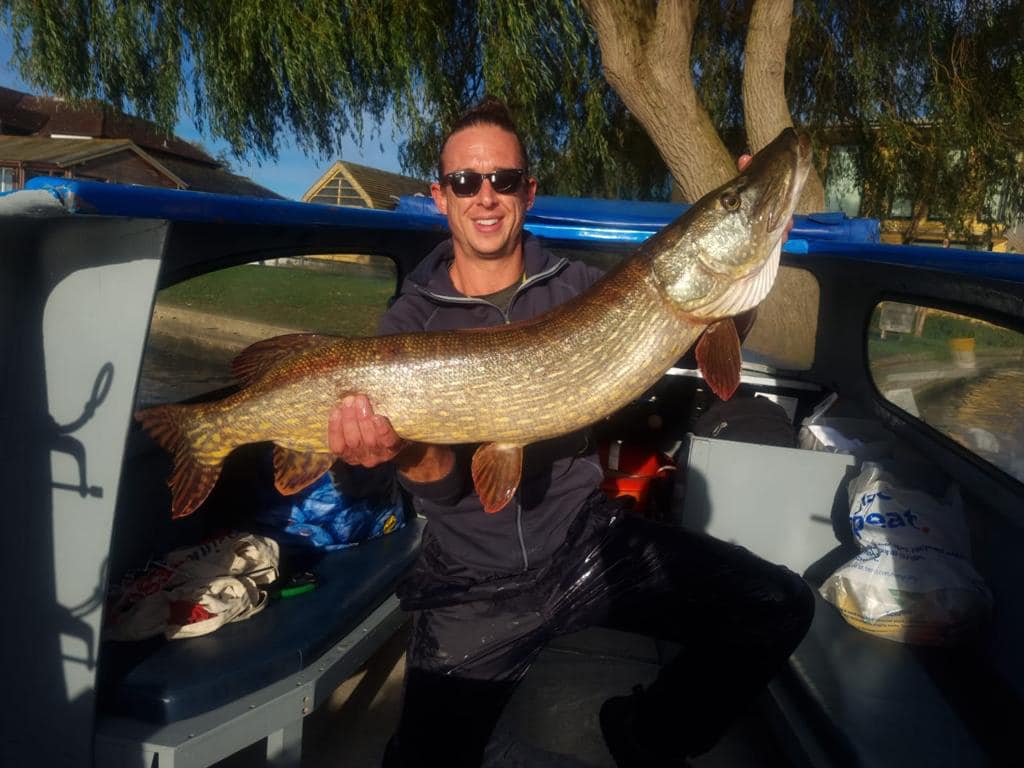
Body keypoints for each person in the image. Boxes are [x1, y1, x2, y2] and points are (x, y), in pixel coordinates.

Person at [328, 96, 814, 768]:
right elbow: (440, 492)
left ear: (528, 190)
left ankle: (645, 734)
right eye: (467, 182)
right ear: (441, 197)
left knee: (777, 606)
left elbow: (709, 334)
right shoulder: (408, 328)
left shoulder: (584, 288)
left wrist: (753, 238)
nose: (486, 196)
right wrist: (399, 450)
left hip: (586, 544)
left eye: (503, 179)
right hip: (473, 580)